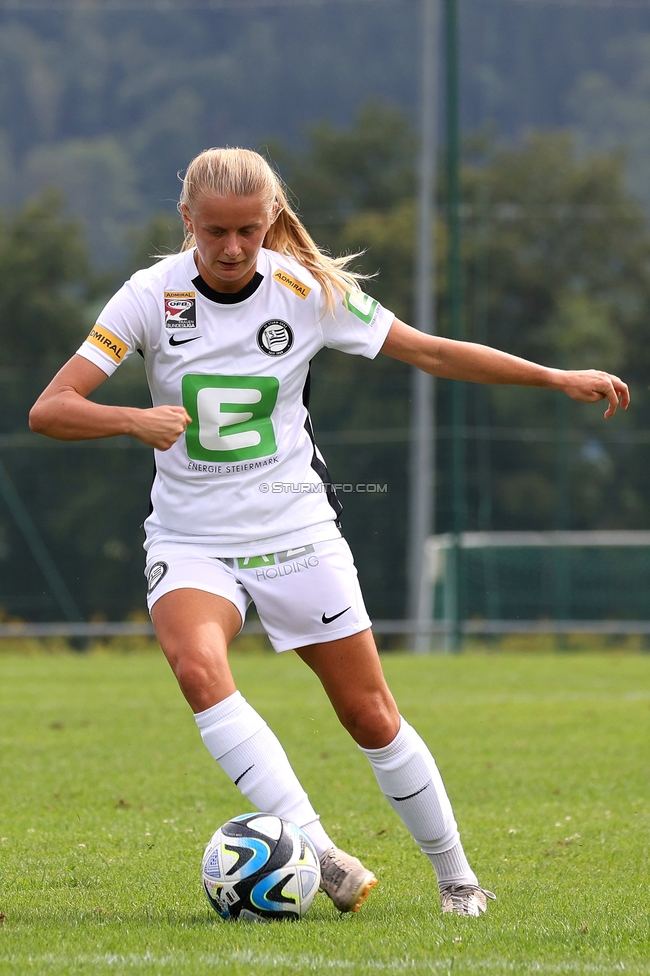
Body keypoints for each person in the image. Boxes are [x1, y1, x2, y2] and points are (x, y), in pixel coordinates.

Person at [29, 147, 629, 919]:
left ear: (272, 221)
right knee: (197, 666)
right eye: (215, 231)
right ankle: (321, 851)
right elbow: (52, 407)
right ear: (188, 223)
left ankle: (457, 880)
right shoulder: (148, 297)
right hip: (191, 540)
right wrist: (129, 418)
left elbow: (430, 352)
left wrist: (553, 377)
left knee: (370, 714)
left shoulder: (306, 291)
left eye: (249, 230)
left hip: (296, 531)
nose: (233, 248)